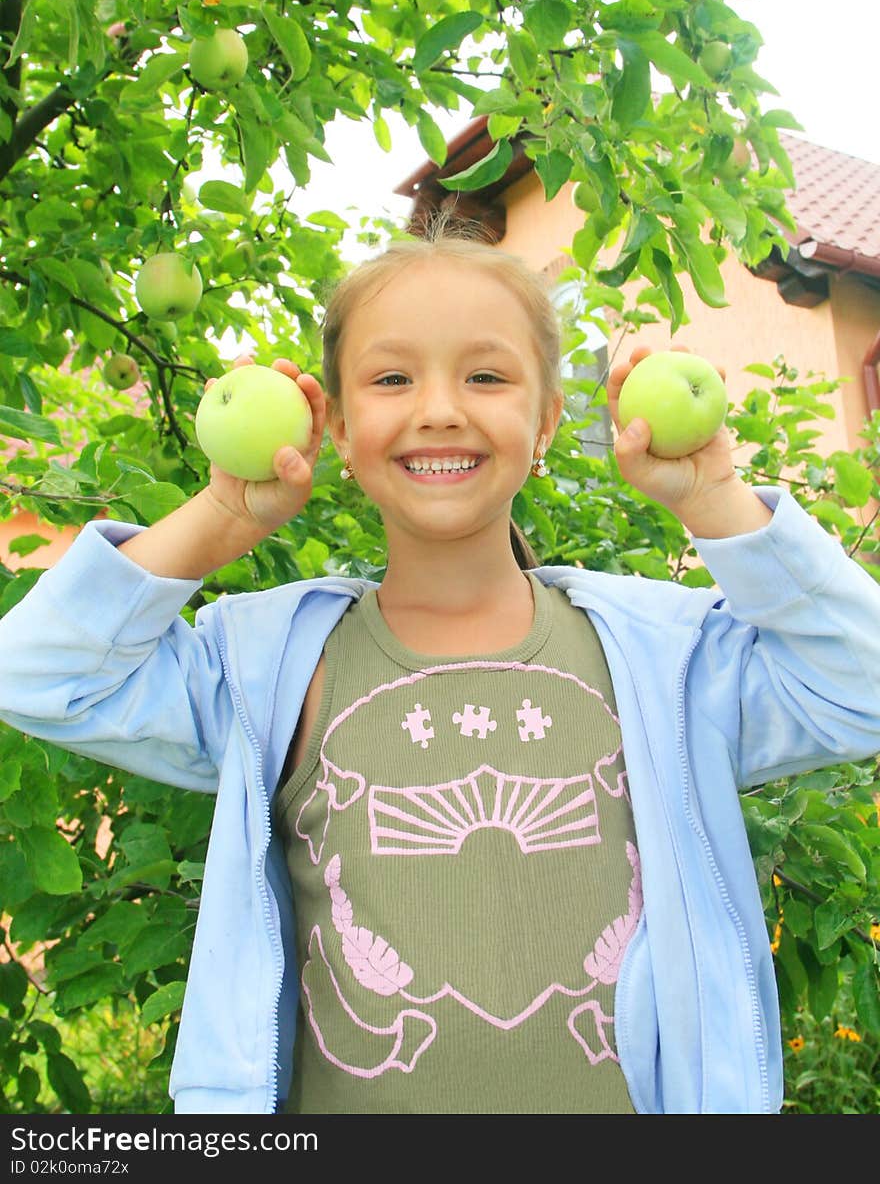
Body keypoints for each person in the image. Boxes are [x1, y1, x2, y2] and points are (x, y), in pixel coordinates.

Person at [1, 224, 879, 1117]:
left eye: (486, 376)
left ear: (546, 419)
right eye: (392, 378)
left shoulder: (661, 659)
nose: (440, 409)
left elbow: (862, 687)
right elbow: (39, 676)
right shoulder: (273, 670)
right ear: (334, 427)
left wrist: (712, 499)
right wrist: (223, 519)